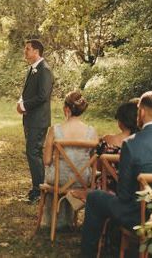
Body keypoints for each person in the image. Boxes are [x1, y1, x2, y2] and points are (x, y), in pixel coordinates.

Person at [80, 91, 152, 258]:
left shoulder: (131, 144)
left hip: (140, 218)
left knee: (94, 198)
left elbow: (124, 194)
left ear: (141, 112)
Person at [40, 90, 98, 228]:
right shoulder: (92, 132)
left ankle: (54, 219)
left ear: (66, 109)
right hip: (83, 179)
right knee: (77, 172)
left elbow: (47, 160)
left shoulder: (54, 130)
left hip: (58, 179)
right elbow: (93, 160)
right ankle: (70, 220)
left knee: (51, 170)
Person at [16, 38, 54, 203]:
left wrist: (24, 106)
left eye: (27, 49)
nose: (25, 51)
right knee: (32, 153)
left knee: (34, 153)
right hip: (30, 119)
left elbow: (43, 96)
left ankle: (39, 191)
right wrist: (21, 102)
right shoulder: (32, 69)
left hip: (38, 120)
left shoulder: (44, 70)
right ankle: (36, 189)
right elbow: (30, 92)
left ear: (36, 51)